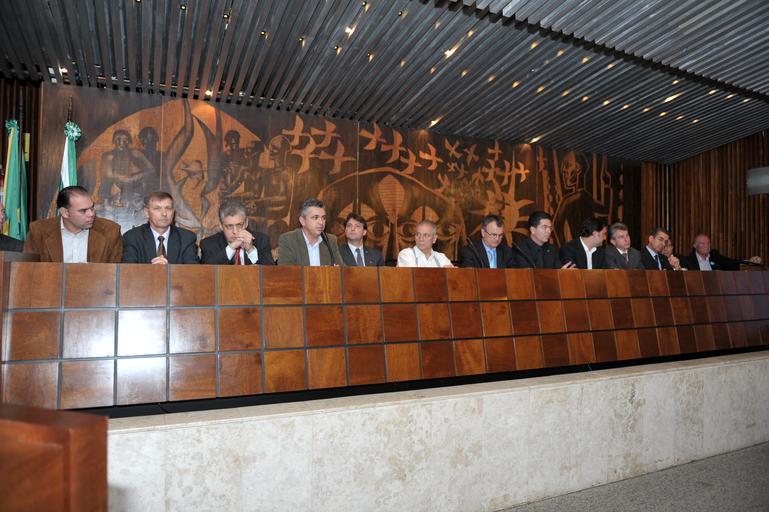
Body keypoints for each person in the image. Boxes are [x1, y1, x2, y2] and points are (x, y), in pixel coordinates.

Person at [24, 186, 122, 262]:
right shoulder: (39, 231)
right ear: (65, 212)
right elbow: (29, 270)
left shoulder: (110, 231)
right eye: (83, 211)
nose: (91, 214)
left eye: (92, 208)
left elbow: (115, 274)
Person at [121, 191, 199, 264]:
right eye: (157, 208)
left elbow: (193, 271)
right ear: (147, 212)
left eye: (168, 208)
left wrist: (168, 269)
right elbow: (128, 270)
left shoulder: (186, 238)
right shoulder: (133, 237)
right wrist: (154, 270)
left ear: (173, 212)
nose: (164, 214)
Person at [200, 199, 274, 265]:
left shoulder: (261, 240)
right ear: (221, 226)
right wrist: (231, 248)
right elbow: (206, 271)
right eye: (230, 226)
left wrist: (250, 249)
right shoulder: (208, 244)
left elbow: (270, 272)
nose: (235, 231)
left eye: (239, 225)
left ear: (246, 223)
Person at [278, 198, 343, 266]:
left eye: (323, 218)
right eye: (315, 217)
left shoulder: (330, 240)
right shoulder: (288, 240)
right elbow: (285, 270)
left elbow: (341, 269)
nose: (321, 222)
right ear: (302, 221)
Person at [680, 234, 762, 271]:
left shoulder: (715, 257)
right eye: (702, 243)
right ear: (694, 245)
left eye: (708, 243)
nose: (706, 246)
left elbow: (733, 263)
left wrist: (749, 261)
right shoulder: (688, 261)